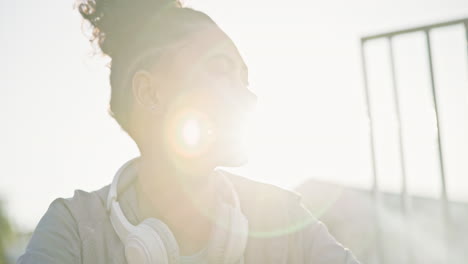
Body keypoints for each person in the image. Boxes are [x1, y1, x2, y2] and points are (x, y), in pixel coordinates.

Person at [17, 0, 360, 263]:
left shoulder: (282, 219)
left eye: (245, 79)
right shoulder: (75, 229)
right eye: (221, 71)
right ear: (151, 93)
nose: (249, 95)